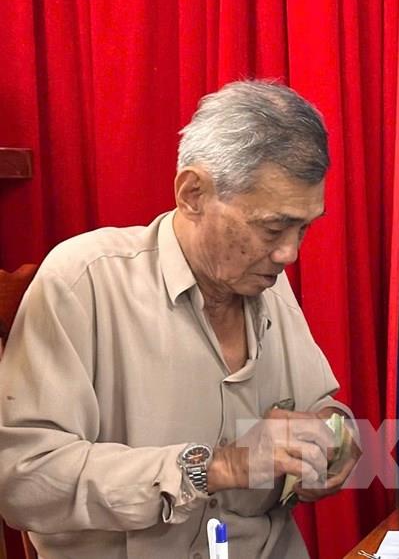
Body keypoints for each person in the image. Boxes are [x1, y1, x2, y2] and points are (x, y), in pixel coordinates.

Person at [0, 80, 361, 558]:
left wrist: (335, 440)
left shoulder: (266, 281)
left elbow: (323, 408)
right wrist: (219, 467)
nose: (289, 253)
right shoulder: (84, 280)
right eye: (272, 227)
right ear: (193, 193)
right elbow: (23, 478)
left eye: (304, 228)